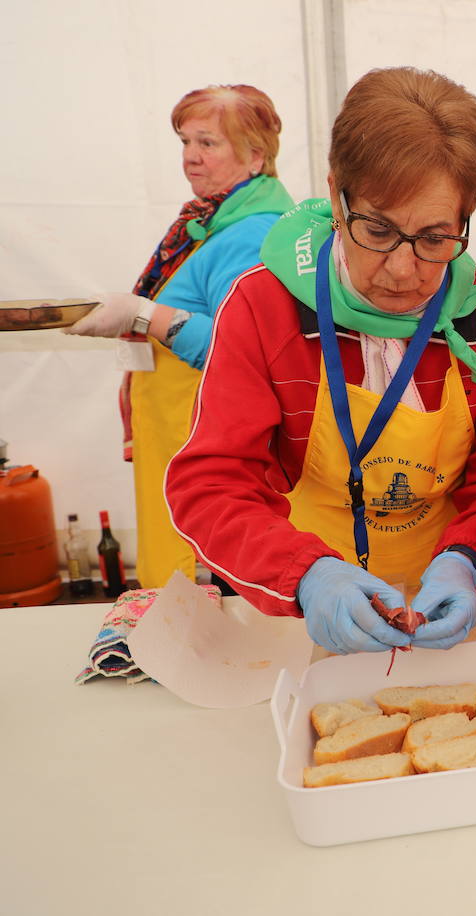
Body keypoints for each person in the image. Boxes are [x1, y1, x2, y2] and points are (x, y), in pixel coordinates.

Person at [165, 67, 476, 656]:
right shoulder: (265, 306)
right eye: (378, 229)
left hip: (456, 607)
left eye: (435, 237)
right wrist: (308, 576)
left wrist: (467, 560)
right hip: (301, 604)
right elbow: (212, 484)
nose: (402, 269)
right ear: (337, 197)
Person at [64, 85, 293, 589]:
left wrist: (143, 315)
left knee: (204, 597)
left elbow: (240, 350)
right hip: (178, 440)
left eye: (208, 143)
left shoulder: (251, 234)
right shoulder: (209, 221)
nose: (190, 158)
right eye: (185, 141)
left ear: (255, 156)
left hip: (208, 447)